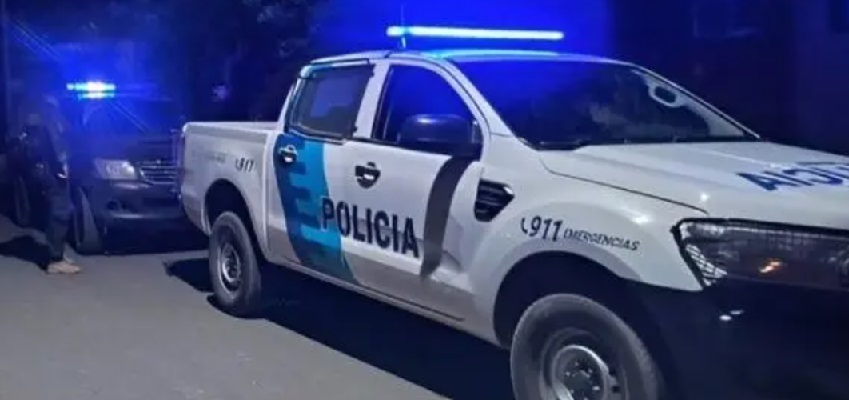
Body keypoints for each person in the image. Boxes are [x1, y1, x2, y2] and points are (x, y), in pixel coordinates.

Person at [20, 83, 82, 275]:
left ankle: (57, 253)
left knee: (57, 209)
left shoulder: (36, 108)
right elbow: (56, 141)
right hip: (51, 169)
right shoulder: (49, 112)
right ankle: (56, 260)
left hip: (41, 168)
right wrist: (62, 165)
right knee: (60, 211)